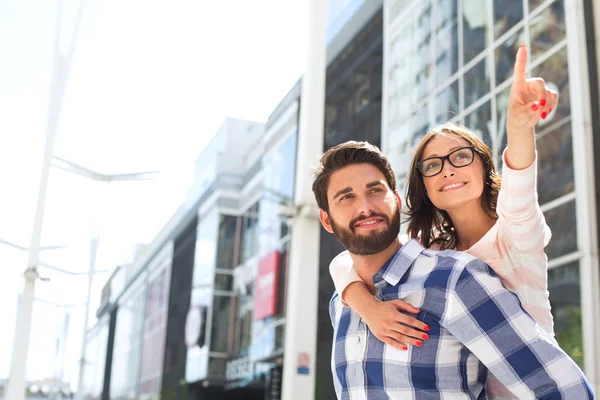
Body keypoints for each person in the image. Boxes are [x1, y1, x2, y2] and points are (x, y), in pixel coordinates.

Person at [329, 45, 559, 398]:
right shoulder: (435, 252)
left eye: (460, 156)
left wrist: (518, 124)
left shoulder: (515, 231)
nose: (448, 168)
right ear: (425, 186)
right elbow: (349, 258)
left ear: (484, 165)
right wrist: (369, 308)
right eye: (432, 165)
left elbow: (521, 179)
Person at [313, 140, 593, 399]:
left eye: (375, 191)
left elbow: (562, 388)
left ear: (396, 201)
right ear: (326, 220)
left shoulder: (454, 280)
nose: (365, 207)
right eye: (346, 197)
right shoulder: (342, 303)